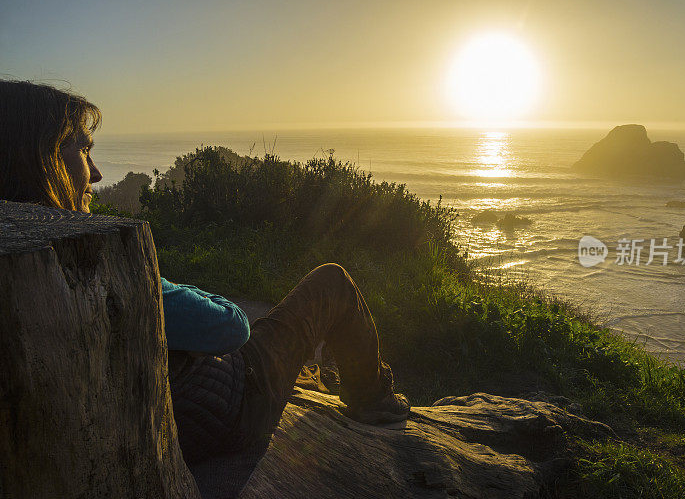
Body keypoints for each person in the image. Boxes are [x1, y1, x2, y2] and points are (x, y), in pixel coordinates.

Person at [0, 80, 410, 464]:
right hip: (236, 408)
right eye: (83, 151)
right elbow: (231, 326)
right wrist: (168, 285)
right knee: (332, 281)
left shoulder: (19, 273)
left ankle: (312, 378)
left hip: (179, 423)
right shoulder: (97, 272)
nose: (97, 172)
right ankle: (370, 399)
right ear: (41, 159)